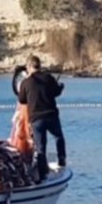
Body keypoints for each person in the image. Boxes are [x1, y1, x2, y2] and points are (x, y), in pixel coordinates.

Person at [17, 55, 66, 183]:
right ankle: (61, 159)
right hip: (51, 115)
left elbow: (22, 99)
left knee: (41, 147)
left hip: (36, 119)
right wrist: (60, 86)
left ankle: (42, 174)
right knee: (58, 137)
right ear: (39, 65)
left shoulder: (26, 82)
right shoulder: (48, 78)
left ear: (29, 67)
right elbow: (56, 92)